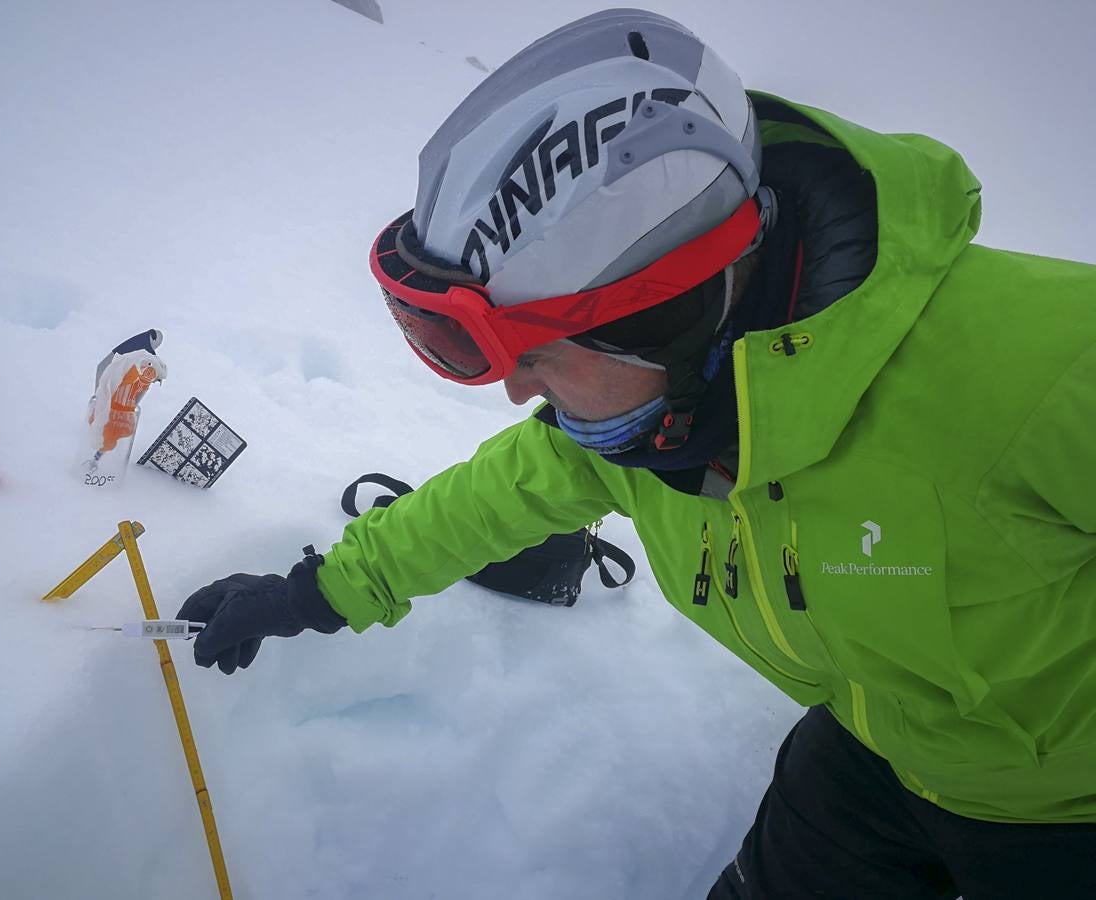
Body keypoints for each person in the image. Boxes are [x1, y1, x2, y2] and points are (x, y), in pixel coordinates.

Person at [178, 9, 1096, 897]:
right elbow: (484, 502)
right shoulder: (648, 426)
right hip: (873, 752)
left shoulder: (1043, 365)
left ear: (661, 320)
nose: (516, 392)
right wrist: (316, 594)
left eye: (536, 355)